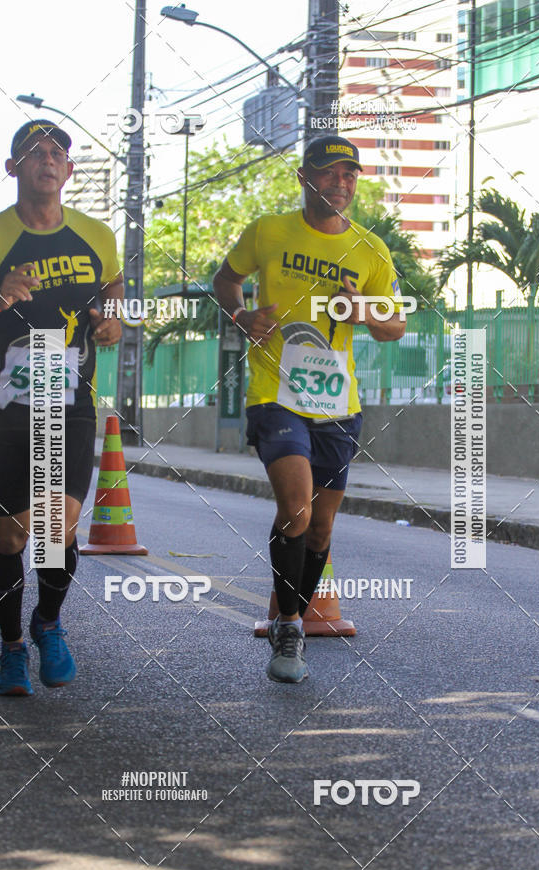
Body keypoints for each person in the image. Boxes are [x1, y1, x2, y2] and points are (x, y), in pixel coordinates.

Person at [213, 135, 407, 683]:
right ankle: (292, 623)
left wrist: (365, 308)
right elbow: (226, 280)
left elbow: (395, 325)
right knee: (296, 508)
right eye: (329, 173)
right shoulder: (270, 231)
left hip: (338, 406)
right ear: (304, 178)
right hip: (275, 394)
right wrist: (240, 315)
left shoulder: (370, 249)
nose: (341, 183)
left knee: (319, 530)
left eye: (349, 174)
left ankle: (292, 612)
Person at [0, 120, 123, 695]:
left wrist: (111, 320)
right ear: (13, 169)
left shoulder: (98, 237)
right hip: (5, 411)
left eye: (56, 153)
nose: (46, 161)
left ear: (69, 171)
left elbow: (113, 287)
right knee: (9, 540)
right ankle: (10, 649)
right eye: (33, 153)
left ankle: (48, 625)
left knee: (58, 528)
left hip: (70, 403)